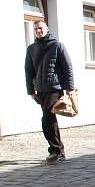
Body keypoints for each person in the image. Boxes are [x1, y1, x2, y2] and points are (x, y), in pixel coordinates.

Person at [25, 20, 74, 163]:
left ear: (47, 28)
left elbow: (67, 67)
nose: (38, 31)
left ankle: (55, 150)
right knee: (50, 119)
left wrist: (69, 88)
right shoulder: (31, 49)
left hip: (54, 88)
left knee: (47, 119)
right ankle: (60, 151)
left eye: (40, 28)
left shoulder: (57, 45)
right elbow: (29, 71)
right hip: (40, 90)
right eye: (35, 29)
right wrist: (31, 91)